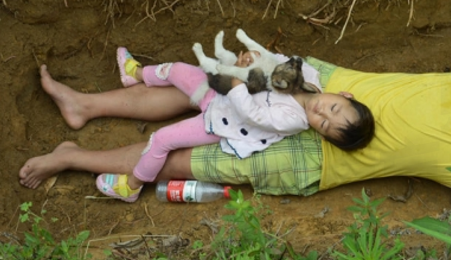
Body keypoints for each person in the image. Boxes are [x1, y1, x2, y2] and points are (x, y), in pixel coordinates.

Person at [19, 30, 451, 211]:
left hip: (315, 154)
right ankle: (86, 105)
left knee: (180, 158)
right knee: (208, 84)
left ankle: (73, 158)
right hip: (325, 88)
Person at [95, 47, 375, 202]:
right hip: (219, 93)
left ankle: (132, 186)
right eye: (333, 108)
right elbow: (278, 61)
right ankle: (136, 74)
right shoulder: (310, 75)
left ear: (320, 134)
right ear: (344, 95)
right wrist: (255, 58)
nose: (321, 112)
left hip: (222, 121)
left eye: (323, 124)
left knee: (161, 139)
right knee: (177, 69)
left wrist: (237, 82)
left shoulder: (293, 120)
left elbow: (253, 115)